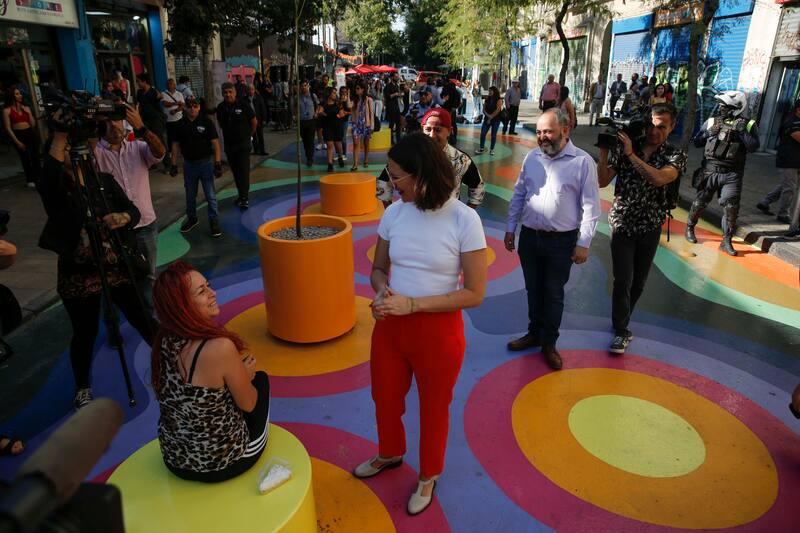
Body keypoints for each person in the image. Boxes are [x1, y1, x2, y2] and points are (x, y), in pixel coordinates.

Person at [353, 133, 487, 516]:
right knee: (385, 397)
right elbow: (378, 269)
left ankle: (429, 474)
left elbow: (475, 293)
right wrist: (382, 293)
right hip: (392, 327)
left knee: (433, 407)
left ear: (422, 174)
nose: (391, 185)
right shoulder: (394, 213)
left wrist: (414, 304)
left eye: (397, 177)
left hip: (438, 333)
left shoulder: (464, 219)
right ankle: (390, 452)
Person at [38, 128, 157, 409]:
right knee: (85, 332)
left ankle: (171, 362)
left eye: (78, 148)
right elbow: (47, 183)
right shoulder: (57, 190)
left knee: (143, 316)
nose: (77, 154)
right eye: (68, 150)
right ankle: (83, 387)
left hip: (115, 266)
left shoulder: (102, 181)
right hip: (79, 274)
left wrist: (124, 216)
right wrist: (59, 137)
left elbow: (134, 210)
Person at [152, 261, 270, 483]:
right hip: (221, 464)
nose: (213, 293)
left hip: (175, 459)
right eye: (201, 291)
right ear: (182, 305)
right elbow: (249, 404)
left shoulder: (163, 339)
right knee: (261, 382)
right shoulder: (218, 348)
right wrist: (244, 376)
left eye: (208, 285)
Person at [504, 109, 600, 369]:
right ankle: (534, 334)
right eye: (538, 132)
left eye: (548, 131)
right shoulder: (532, 158)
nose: (542, 137)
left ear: (565, 130)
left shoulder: (582, 162)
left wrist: (584, 243)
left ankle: (549, 343)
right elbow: (519, 195)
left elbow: (591, 206)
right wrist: (511, 228)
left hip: (562, 242)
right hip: (530, 238)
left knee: (553, 293)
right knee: (533, 290)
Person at [598, 103, 687, 355]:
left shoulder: (675, 155)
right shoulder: (630, 147)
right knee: (622, 279)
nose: (654, 131)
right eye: (651, 125)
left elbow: (659, 178)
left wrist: (630, 155)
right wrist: (604, 151)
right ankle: (621, 328)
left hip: (650, 226)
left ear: (671, 128)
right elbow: (602, 180)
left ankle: (623, 318)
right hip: (623, 223)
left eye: (661, 127)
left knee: (639, 282)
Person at [94, 105, 165, 319]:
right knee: (111, 282)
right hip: (113, 231)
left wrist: (141, 127)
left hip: (145, 225)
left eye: (116, 119)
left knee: (148, 276)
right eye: (106, 121)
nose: (113, 125)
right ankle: (113, 327)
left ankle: (151, 321)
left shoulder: (138, 147)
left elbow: (160, 152)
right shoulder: (94, 153)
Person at [685, 91, 759, 256]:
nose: (721, 108)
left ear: (736, 109)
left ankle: (726, 241)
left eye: (725, 106)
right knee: (700, 202)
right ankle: (689, 227)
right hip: (709, 170)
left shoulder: (748, 124)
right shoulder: (711, 121)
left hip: (732, 174)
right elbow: (697, 142)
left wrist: (742, 133)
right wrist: (707, 134)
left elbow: (754, 147)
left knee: (731, 208)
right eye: (720, 106)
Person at [377, 108, 485, 209]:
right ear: (421, 129)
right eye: (428, 129)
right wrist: (393, 214)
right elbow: (383, 183)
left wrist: (464, 216)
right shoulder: (407, 156)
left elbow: (477, 189)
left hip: (447, 223)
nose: (432, 135)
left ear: (449, 131)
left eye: (438, 130)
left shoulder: (461, 160)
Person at [170, 97, 223, 238]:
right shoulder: (180, 124)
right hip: (189, 166)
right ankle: (192, 219)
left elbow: (216, 144)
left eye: (195, 106)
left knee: (210, 196)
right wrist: (173, 164)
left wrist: (217, 164)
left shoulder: (207, 122)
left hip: (205, 164)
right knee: (190, 196)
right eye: (189, 106)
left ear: (199, 107)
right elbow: (175, 145)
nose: (192, 108)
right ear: (185, 108)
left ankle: (214, 221)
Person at [757, 98, 800, 225]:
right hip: (788, 160)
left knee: (787, 185)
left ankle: (765, 202)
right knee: (790, 188)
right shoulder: (791, 122)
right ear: (798, 110)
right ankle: (783, 214)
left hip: (795, 160)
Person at [216, 82, 257, 210]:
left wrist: (248, 135)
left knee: (243, 171)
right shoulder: (220, 108)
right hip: (230, 146)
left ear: (235, 92)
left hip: (243, 145)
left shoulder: (243, 105)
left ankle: (244, 198)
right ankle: (241, 195)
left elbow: (254, 122)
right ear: (222, 93)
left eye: (230, 92)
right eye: (225, 92)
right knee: (235, 172)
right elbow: (221, 124)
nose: (228, 95)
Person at [2, 86, 40, 188]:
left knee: (35, 156)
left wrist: (29, 113)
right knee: (25, 158)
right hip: (18, 135)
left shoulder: (26, 108)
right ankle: (30, 179)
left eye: (20, 93)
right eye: (17, 94)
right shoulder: (7, 110)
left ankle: (39, 178)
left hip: (30, 133)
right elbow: (8, 128)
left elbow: (33, 124)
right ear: (11, 96)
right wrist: (17, 141)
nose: (20, 96)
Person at [135, 73, 166, 166]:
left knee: (159, 140)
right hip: (145, 119)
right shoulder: (139, 92)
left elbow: (160, 97)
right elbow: (139, 105)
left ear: (144, 81)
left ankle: (167, 164)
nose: (138, 84)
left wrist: (159, 95)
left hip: (156, 119)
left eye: (138, 82)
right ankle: (151, 163)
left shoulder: (153, 91)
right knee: (147, 140)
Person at [317, 87, 345, 172]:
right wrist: (325, 114)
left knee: (338, 145)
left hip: (337, 125)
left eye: (335, 93)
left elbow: (342, 114)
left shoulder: (338, 103)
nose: (335, 94)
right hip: (327, 126)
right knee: (329, 145)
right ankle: (330, 163)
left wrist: (339, 115)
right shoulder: (324, 103)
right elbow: (320, 112)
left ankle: (340, 156)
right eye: (333, 93)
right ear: (329, 94)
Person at [350, 81, 374, 170]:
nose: (356, 90)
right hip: (356, 124)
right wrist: (348, 96)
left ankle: (366, 159)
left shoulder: (369, 100)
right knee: (356, 144)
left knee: (366, 143)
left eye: (358, 88)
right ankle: (355, 164)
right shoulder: (354, 100)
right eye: (356, 88)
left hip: (366, 124)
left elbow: (372, 114)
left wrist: (372, 126)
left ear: (363, 90)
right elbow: (349, 105)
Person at [161, 78, 185, 163]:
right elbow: (165, 104)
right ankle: (171, 153)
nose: (170, 85)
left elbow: (182, 106)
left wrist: (175, 110)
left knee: (181, 135)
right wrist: (176, 103)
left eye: (171, 84)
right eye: (168, 84)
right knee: (170, 137)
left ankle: (183, 151)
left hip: (179, 118)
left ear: (175, 85)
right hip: (169, 120)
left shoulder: (179, 94)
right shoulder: (163, 94)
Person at [475, 86, 503, 156]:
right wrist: (488, 117)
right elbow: (483, 109)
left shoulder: (499, 100)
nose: (489, 92)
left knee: (493, 135)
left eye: (491, 91)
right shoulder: (487, 98)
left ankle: (492, 149)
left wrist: (490, 118)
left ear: (495, 91)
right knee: (483, 133)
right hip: (487, 118)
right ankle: (481, 148)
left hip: (496, 120)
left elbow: (498, 110)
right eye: (489, 91)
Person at [297, 80, 318, 168]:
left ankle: (310, 158)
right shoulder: (297, 97)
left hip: (311, 121)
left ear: (308, 86)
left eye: (305, 85)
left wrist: (316, 113)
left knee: (310, 140)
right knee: (305, 141)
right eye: (302, 86)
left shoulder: (313, 96)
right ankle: (307, 155)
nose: (303, 87)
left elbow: (318, 105)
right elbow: (294, 107)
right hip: (302, 121)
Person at [248, 85, 268, 156]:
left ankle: (262, 151)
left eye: (252, 89)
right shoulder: (246, 99)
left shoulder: (259, 98)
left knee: (260, 136)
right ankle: (256, 150)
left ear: (254, 90)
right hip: (250, 121)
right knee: (253, 137)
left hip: (258, 120)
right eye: (249, 89)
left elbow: (263, 108)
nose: (251, 91)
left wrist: (264, 119)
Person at [384, 72, 403, 145]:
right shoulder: (388, 86)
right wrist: (395, 94)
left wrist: (400, 95)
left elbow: (398, 95)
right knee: (391, 125)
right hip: (391, 108)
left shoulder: (397, 86)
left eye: (397, 76)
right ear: (391, 77)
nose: (397, 78)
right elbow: (387, 96)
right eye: (395, 76)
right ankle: (391, 140)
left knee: (398, 124)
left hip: (397, 107)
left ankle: (398, 139)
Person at [440, 80, 461, 144]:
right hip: (453, 109)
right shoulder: (457, 92)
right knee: (453, 123)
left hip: (446, 108)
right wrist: (454, 108)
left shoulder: (447, 90)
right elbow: (459, 102)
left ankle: (448, 137)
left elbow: (442, 96)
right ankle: (454, 137)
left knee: (446, 123)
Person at [338, 86, 352, 161]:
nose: (343, 93)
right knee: (338, 138)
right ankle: (339, 154)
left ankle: (344, 154)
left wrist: (346, 112)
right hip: (338, 120)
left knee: (343, 138)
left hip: (344, 121)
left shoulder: (347, 100)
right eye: (342, 91)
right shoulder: (338, 100)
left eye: (345, 91)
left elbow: (350, 111)